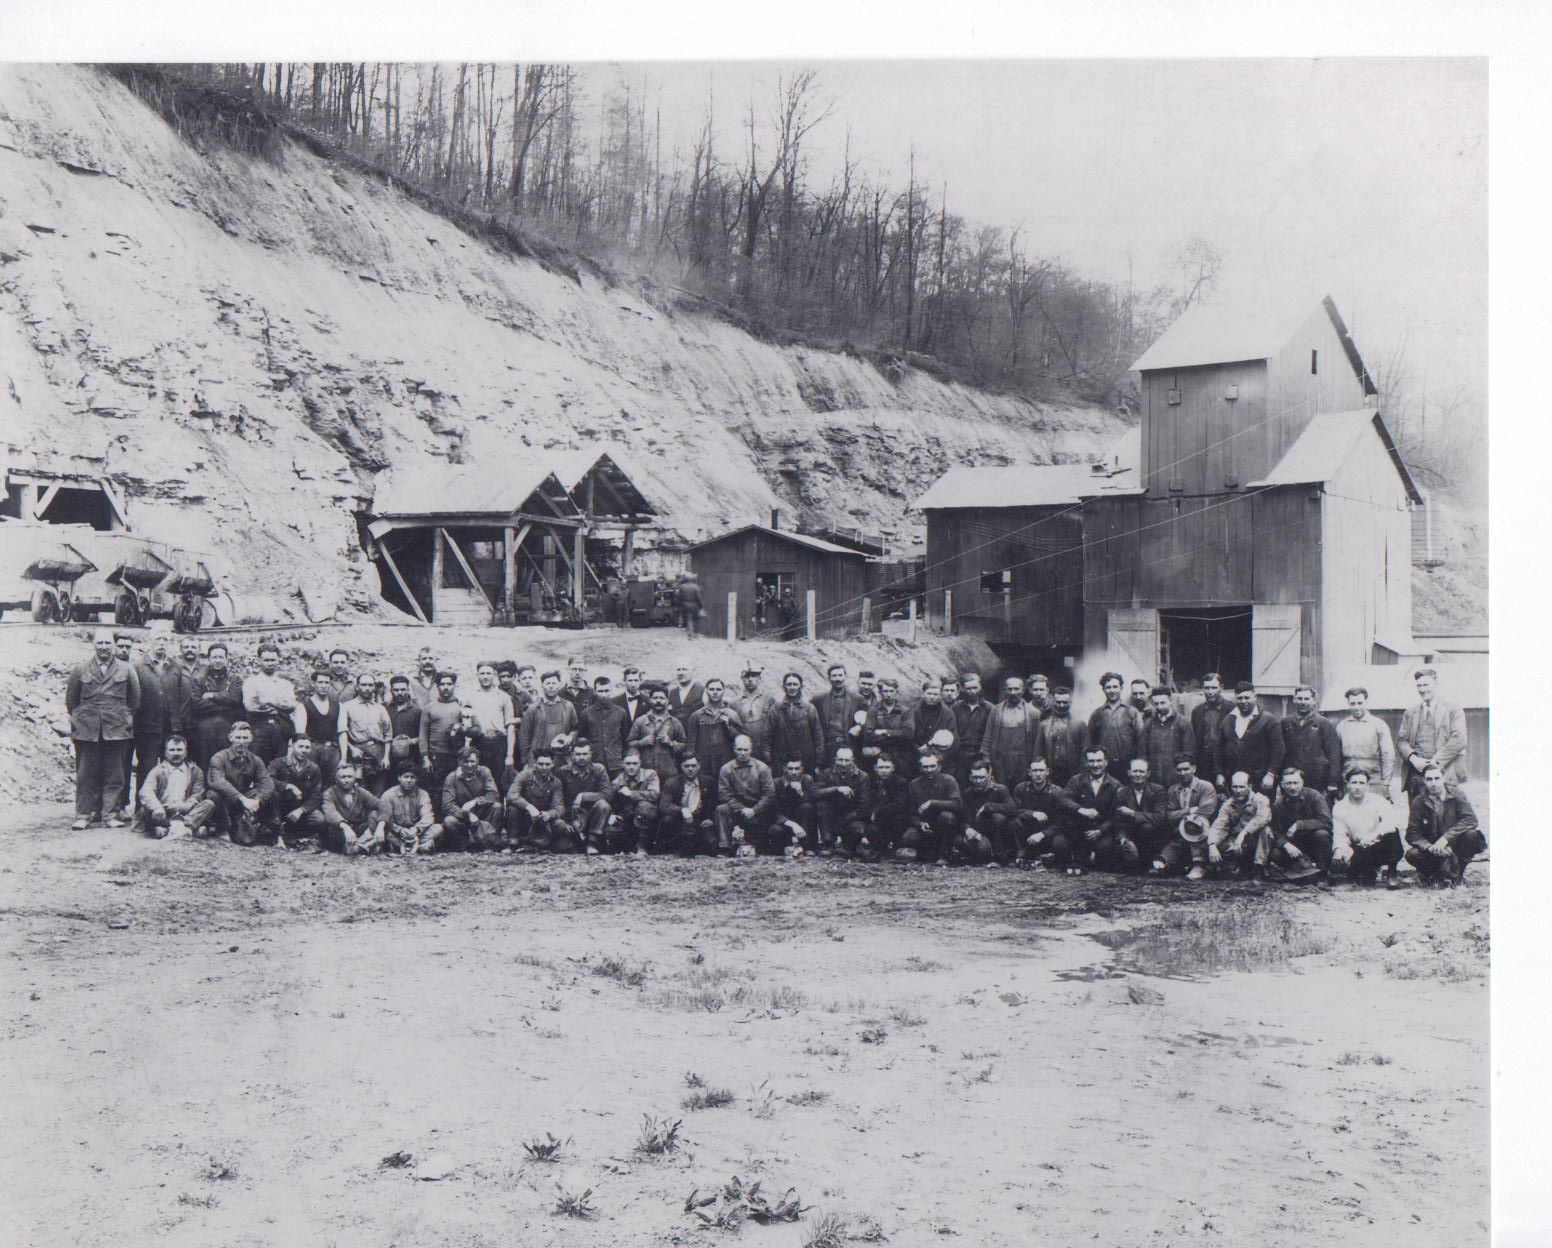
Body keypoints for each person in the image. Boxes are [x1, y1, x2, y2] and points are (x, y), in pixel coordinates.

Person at [66, 629, 141, 830]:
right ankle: (83, 815)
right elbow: (71, 701)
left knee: (115, 774)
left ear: (114, 646)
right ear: (94, 645)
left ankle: (110, 815)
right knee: (85, 773)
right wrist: (83, 719)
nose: (104, 647)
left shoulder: (126, 670)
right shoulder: (80, 669)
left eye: (108, 643)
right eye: (100, 643)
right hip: (87, 729)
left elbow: (134, 701)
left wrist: (119, 717)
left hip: (116, 729)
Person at [130, 633, 188, 812]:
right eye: (158, 640)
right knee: (146, 767)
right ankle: (142, 809)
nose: (161, 644)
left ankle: (168, 807)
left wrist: (178, 722)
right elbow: (132, 697)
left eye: (166, 641)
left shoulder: (176, 666)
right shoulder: (138, 665)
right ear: (150, 642)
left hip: (170, 727)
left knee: (170, 768)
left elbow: (182, 697)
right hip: (146, 727)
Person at [1404, 763, 1485, 886]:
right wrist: (1430, 847)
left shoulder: (1457, 794)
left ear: (1443, 779)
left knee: (1471, 835)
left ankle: (1458, 874)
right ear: (1424, 781)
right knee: (1411, 855)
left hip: (1455, 845)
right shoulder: (1418, 801)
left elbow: (1470, 819)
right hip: (1433, 848)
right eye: (1429, 779)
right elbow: (1412, 833)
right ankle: (1433, 873)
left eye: (1437, 778)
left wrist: (1446, 839)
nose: (1434, 783)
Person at [1397, 667, 1469, 795]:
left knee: (1444, 813)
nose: (1422, 689)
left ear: (1436, 684)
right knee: (1417, 812)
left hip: (1445, 773)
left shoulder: (1453, 709)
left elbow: (1459, 739)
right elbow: (1402, 741)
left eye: (1426, 685)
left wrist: (1436, 761)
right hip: (1416, 775)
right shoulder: (1410, 712)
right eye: (1419, 686)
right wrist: (1413, 758)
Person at [1330, 766, 1405, 886]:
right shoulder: (1340, 807)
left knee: (1393, 833)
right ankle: (1368, 870)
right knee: (1362, 878)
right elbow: (1340, 834)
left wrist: (1374, 835)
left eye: (1361, 783)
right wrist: (1339, 850)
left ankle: (1391, 872)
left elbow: (1391, 820)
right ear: (1347, 784)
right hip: (1358, 847)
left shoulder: (1378, 800)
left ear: (1367, 785)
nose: (1358, 787)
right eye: (1354, 783)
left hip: (1378, 844)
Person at [206, 721, 277, 845]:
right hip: (226, 800)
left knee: (271, 794)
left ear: (250, 739)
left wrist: (258, 800)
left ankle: (274, 832)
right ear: (230, 738)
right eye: (238, 738)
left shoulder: (255, 759)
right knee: (213, 795)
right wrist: (242, 799)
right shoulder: (219, 757)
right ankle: (222, 829)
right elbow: (217, 781)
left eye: (245, 738)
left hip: (244, 802)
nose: (241, 742)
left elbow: (267, 783)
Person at [134, 734, 214, 839]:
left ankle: (171, 829)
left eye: (179, 750)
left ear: (185, 753)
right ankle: (186, 828)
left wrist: (187, 805)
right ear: (166, 753)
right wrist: (157, 807)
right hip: (164, 811)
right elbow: (146, 791)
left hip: (185, 811)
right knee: (146, 810)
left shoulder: (195, 771)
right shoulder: (158, 770)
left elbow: (197, 793)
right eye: (172, 750)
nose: (176, 753)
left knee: (209, 804)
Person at [1057, 747, 1123, 875]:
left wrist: (1100, 831)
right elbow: (1064, 799)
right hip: (1079, 830)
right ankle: (1079, 858)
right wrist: (1081, 810)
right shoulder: (1076, 780)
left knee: (1105, 851)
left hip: (1101, 832)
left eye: (1099, 761)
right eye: (1091, 761)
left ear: (1106, 762)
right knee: (1059, 844)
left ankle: (1089, 858)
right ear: (1086, 763)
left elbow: (1116, 815)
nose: (1095, 765)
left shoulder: (1116, 785)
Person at [1215, 681, 1283, 794]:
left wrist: (1271, 774)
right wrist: (1219, 773)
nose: (1243, 701)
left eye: (1247, 697)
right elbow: (1218, 751)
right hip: (1234, 781)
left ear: (1255, 697)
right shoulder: (1228, 720)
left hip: (1260, 780)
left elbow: (1278, 750)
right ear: (1235, 699)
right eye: (1240, 698)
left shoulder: (1269, 720)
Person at [1159, 755, 1220, 879]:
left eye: (1186, 769)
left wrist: (1180, 815)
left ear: (1194, 769)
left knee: (1195, 828)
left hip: (1201, 833)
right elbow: (1169, 815)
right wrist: (1188, 811)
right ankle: (1175, 864)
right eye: (1179, 770)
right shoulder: (1173, 790)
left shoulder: (1205, 787)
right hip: (1179, 835)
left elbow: (1205, 812)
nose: (1183, 773)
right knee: (1160, 867)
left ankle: (1199, 864)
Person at [1268, 767, 1333, 881]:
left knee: (1322, 834)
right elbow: (1276, 830)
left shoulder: (1314, 796)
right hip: (1295, 846)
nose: (1292, 787)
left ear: (1302, 782)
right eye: (1288, 783)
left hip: (1314, 843)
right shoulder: (1279, 804)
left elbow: (1326, 821)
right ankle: (1303, 870)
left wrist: (1299, 824)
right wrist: (1286, 845)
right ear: (1282, 785)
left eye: (1295, 783)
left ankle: (1322, 874)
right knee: (1275, 853)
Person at [1206, 771, 1273, 880]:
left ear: (1250, 787)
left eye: (1242, 787)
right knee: (1218, 850)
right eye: (1235, 787)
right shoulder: (1228, 804)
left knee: (1266, 830)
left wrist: (1244, 833)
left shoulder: (1260, 799)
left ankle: (1259, 867)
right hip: (1237, 843)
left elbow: (1263, 817)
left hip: (1254, 841)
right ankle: (1237, 866)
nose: (1238, 791)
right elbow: (1219, 825)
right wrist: (1212, 845)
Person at [1336, 687, 1399, 802]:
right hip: (1348, 778)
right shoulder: (1341, 726)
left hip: (1372, 779)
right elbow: (1336, 756)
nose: (1356, 707)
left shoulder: (1378, 725)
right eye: (1353, 703)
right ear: (1348, 703)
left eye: (1360, 703)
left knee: (1373, 812)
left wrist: (1385, 783)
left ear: (1366, 702)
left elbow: (1388, 755)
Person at [716, 734, 776, 855]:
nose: (742, 753)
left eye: (745, 749)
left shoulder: (762, 768)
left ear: (751, 749)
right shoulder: (726, 769)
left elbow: (769, 793)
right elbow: (724, 793)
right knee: (721, 809)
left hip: (758, 810)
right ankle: (725, 847)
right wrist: (741, 809)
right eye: (739, 749)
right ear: (733, 749)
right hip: (736, 808)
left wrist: (755, 810)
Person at [188, 642, 243, 772]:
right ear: (208, 659)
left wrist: (212, 695)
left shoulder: (235, 679)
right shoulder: (199, 679)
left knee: (227, 764)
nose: (217, 661)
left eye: (221, 657)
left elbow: (234, 699)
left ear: (226, 659)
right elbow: (197, 704)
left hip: (228, 727)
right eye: (214, 657)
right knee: (206, 764)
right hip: (204, 729)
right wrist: (225, 703)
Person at [1280, 685, 1343, 798]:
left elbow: (1334, 755)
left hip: (1317, 779)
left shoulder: (1324, 724)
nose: (1302, 702)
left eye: (1306, 699)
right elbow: (1280, 752)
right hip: (1292, 780)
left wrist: (1333, 782)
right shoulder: (1286, 723)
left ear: (1314, 701)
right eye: (1299, 698)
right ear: (1294, 700)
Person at [900, 752, 963, 864]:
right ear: (920, 768)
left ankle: (945, 854)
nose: (929, 770)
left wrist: (932, 803)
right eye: (925, 766)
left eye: (932, 766)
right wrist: (920, 824)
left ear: (939, 767)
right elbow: (911, 812)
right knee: (908, 838)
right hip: (926, 825)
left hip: (945, 825)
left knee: (947, 817)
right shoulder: (914, 784)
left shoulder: (949, 780)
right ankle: (929, 853)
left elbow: (957, 804)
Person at [979, 677, 1041, 789]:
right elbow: (988, 735)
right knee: (1001, 788)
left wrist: (1034, 762)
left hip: (1023, 759)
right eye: (1010, 689)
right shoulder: (996, 710)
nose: (1013, 693)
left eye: (1016, 689)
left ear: (1023, 690)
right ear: (1005, 691)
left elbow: (1037, 741)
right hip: (1000, 759)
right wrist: (986, 759)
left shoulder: (1033, 713)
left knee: (1021, 789)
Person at [267, 734, 328, 848]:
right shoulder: (278, 763)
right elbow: (267, 780)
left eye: (307, 747)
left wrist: (301, 810)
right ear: (292, 746)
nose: (304, 750)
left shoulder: (313, 769)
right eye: (300, 746)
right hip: (279, 807)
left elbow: (316, 795)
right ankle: (276, 835)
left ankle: (293, 835)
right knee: (273, 795)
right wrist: (287, 786)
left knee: (319, 820)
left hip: (298, 810)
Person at [506, 750, 572, 852]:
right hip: (524, 818)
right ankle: (513, 844)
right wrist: (529, 808)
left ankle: (532, 845)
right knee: (512, 809)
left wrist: (548, 814)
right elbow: (512, 795)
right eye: (541, 764)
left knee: (560, 825)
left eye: (547, 764)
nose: (544, 768)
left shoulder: (556, 782)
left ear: (552, 764)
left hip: (543, 821)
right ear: (535, 764)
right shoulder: (524, 776)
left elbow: (559, 807)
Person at [1109, 759, 1167, 873]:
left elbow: (1159, 817)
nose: (1138, 775)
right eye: (1135, 771)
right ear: (1129, 773)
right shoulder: (1122, 792)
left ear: (1148, 773)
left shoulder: (1158, 790)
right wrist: (1123, 839)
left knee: (1147, 828)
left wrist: (1133, 813)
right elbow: (1117, 821)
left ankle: (1151, 863)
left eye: (1141, 771)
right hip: (1131, 835)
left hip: (1153, 837)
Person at [242, 643, 298, 764]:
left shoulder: (285, 684)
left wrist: (268, 700)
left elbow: (291, 705)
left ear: (278, 660)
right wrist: (279, 703)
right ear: (259, 661)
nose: (270, 663)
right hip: (259, 730)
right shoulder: (251, 682)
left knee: (280, 765)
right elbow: (250, 706)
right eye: (266, 660)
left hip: (282, 729)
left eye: (273, 660)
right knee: (259, 765)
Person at [439, 748, 504, 851]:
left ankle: (490, 842)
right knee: (449, 821)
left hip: (482, 813)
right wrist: (467, 815)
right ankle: (465, 845)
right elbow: (447, 805)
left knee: (497, 807)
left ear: (477, 761)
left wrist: (475, 802)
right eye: (465, 761)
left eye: (472, 761)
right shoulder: (451, 778)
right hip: (462, 816)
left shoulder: (484, 772)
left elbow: (494, 794)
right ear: (459, 762)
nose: (469, 765)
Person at [559, 738, 614, 853]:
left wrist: (583, 796)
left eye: (584, 754)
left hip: (593, 816)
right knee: (563, 847)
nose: (581, 757)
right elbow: (557, 798)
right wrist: (563, 821)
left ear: (590, 755)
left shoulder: (599, 770)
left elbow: (607, 795)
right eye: (578, 754)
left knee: (603, 805)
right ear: (572, 756)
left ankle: (592, 843)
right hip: (571, 816)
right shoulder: (562, 772)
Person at [959, 759, 1019, 865]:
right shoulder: (967, 793)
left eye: (981, 777)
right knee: (958, 841)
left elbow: (1012, 809)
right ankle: (982, 854)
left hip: (997, 834)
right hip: (977, 832)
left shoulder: (1000, 790)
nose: (978, 781)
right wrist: (967, 829)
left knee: (998, 817)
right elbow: (963, 816)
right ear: (970, 778)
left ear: (989, 776)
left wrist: (988, 806)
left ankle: (998, 857)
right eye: (975, 778)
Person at [342, 673, 393, 795]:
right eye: (363, 685)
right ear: (357, 687)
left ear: (374, 687)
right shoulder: (347, 707)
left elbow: (388, 734)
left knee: (378, 791)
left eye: (370, 685)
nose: (367, 688)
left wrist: (386, 757)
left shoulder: (380, 708)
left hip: (378, 753)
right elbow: (341, 731)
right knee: (358, 790)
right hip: (357, 754)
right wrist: (351, 748)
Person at [813, 746, 869, 858]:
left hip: (852, 817)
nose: (843, 764)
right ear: (835, 759)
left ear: (853, 760)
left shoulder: (862, 777)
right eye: (840, 760)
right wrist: (837, 788)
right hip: (832, 817)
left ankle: (848, 846)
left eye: (847, 760)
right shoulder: (826, 773)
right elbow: (815, 793)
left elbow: (864, 807)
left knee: (858, 829)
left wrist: (845, 819)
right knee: (823, 805)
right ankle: (828, 845)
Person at [466, 661, 517, 781]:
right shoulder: (471, 696)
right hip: (478, 742)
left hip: (498, 744)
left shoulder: (504, 697)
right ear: (477, 675)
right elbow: (467, 726)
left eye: (488, 673)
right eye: (482, 673)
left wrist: (510, 755)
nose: (485, 676)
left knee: (498, 781)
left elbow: (510, 727)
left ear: (494, 675)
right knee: (477, 780)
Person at [1012, 757, 1067, 867]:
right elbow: (1014, 810)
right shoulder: (1021, 788)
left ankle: (1049, 858)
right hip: (1028, 832)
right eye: (1035, 770)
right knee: (1014, 823)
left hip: (1049, 833)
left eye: (1041, 770)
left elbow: (1061, 822)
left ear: (1047, 772)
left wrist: (1043, 834)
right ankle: (1024, 854)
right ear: (1029, 772)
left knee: (1060, 843)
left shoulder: (1057, 792)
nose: (1038, 774)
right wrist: (1032, 813)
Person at [519, 671, 578, 771]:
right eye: (548, 683)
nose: (551, 686)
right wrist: (525, 761)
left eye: (554, 683)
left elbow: (575, 728)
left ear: (559, 685)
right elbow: (524, 735)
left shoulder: (568, 706)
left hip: (561, 757)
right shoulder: (533, 708)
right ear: (542, 685)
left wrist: (570, 738)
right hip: (538, 758)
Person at [686, 677, 744, 781]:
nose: (715, 692)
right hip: (703, 762)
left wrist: (728, 726)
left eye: (718, 689)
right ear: (706, 691)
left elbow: (740, 739)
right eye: (712, 689)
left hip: (725, 760)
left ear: (723, 691)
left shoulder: (731, 714)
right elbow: (691, 743)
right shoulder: (697, 715)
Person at [320, 762, 384, 856]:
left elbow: (381, 805)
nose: (347, 780)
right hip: (340, 831)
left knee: (376, 814)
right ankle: (366, 845)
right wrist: (346, 827)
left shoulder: (361, 792)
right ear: (336, 779)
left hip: (358, 830)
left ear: (354, 778)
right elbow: (330, 813)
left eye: (350, 777)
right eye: (343, 777)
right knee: (332, 828)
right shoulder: (329, 793)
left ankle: (361, 844)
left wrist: (380, 827)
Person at [768, 672, 825, 777]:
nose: (792, 687)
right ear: (784, 686)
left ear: (801, 686)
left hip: (805, 760)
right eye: (789, 684)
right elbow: (767, 736)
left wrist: (818, 763)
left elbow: (818, 736)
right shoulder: (776, 708)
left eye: (795, 684)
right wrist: (769, 762)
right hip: (781, 760)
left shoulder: (809, 708)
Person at [859, 754, 912, 863]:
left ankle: (897, 847)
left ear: (893, 768)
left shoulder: (900, 782)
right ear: (875, 768)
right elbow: (867, 801)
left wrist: (878, 811)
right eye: (881, 767)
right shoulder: (871, 782)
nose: (884, 771)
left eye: (887, 767)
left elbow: (899, 805)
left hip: (893, 819)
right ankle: (878, 848)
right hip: (876, 821)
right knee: (870, 829)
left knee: (900, 819)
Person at [296, 669, 346, 786]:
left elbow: (342, 732)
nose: (323, 686)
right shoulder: (303, 706)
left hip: (333, 751)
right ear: (314, 684)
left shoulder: (339, 706)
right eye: (320, 682)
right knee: (312, 784)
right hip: (312, 750)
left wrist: (343, 758)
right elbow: (300, 734)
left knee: (332, 785)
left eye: (326, 683)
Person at [658, 754, 715, 856]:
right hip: (679, 820)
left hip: (700, 820)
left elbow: (715, 803)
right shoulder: (672, 783)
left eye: (693, 766)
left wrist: (711, 819)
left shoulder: (708, 782)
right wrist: (682, 810)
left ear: (699, 766)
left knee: (711, 843)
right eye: (687, 766)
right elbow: (664, 805)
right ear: (681, 766)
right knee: (667, 821)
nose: (690, 769)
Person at [628, 687, 688, 783]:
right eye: (655, 698)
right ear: (650, 700)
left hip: (669, 771)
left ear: (667, 700)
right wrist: (641, 742)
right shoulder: (640, 721)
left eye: (662, 698)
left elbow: (684, 745)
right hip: (645, 771)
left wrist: (671, 743)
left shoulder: (675, 722)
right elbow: (630, 743)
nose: (658, 701)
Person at [1088, 673, 1140, 783]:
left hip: (1127, 764)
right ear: (1103, 690)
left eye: (1115, 687)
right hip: (1104, 766)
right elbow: (1091, 740)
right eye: (1108, 687)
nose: (1112, 690)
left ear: (1121, 688)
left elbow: (1140, 740)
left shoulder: (1132, 712)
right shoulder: (1097, 714)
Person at [377, 764, 438, 856]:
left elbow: (428, 817)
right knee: (386, 833)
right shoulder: (389, 794)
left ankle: (406, 848)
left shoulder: (422, 794)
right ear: (399, 778)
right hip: (397, 833)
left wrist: (416, 829)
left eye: (412, 777)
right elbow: (385, 817)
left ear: (417, 779)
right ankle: (420, 847)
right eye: (406, 777)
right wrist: (399, 830)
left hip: (416, 833)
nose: (409, 780)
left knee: (438, 828)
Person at [1137, 687, 1195, 784]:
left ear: (1170, 700)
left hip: (1175, 779)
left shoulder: (1183, 723)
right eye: (1156, 704)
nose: (1159, 707)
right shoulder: (1149, 723)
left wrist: (1181, 773)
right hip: (1153, 779)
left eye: (1163, 703)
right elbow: (1141, 752)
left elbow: (1188, 753)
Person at [812, 664, 867, 765]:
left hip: (850, 745)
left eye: (840, 675)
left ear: (845, 677)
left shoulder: (858, 699)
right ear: (828, 678)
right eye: (834, 676)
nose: (838, 679)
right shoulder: (818, 700)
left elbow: (868, 720)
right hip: (828, 747)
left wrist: (859, 727)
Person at [608, 750, 662, 854]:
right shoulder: (617, 781)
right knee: (611, 831)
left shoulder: (650, 775)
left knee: (644, 806)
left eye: (634, 763)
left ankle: (643, 846)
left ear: (640, 763)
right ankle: (629, 848)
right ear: (622, 764)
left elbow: (655, 794)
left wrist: (631, 794)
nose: (631, 767)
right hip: (628, 817)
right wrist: (612, 814)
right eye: (628, 764)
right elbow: (611, 801)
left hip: (647, 818)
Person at [862, 678, 917, 777]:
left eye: (891, 691)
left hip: (901, 755)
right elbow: (869, 735)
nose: (888, 694)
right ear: (880, 692)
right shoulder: (873, 711)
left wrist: (884, 731)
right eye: (885, 691)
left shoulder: (906, 711)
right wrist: (897, 735)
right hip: (879, 755)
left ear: (897, 692)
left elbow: (908, 734)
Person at [1038, 686, 1089, 787]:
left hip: (1072, 776)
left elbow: (1085, 753)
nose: (1061, 705)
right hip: (1050, 776)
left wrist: (1080, 777)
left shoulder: (1080, 724)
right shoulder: (1044, 725)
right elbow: (1038, 752)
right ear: (1052, 701)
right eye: (1058, 702)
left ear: (1070, 702)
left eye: (1065, 702)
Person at [580, 675, 630, 775]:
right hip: (594, 764)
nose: (604, 695)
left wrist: (621, 757)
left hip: (616, 764)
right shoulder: (586, 713)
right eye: (600, 691)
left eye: (606, 691)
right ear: (595, 692)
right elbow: (583, 738)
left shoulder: (620, 712)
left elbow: (626, 739)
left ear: (611, 691)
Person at [771, 758, 818, 857]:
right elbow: (775, 811)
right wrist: (793, 825)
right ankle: (784, 849)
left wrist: (801, 793)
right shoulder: (777, 783)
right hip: (785, 822)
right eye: (790, 768)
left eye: (797, 769)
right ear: (784, 769)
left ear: (802, 769)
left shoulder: (807, 780)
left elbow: (813, 804)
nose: (793, 772)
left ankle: (806, 846)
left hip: (803, 822)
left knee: (807, 807)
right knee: (775, 830)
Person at [912, 680, 959, 778]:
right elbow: (909, 735)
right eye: (929, 693)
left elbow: (954, 742)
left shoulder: (948, 714)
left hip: (942, 763)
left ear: (940, 695)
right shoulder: (914, 712)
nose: (932, 697)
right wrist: (917, 750)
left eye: (935, 694)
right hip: (917, 760)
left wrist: (937, 758)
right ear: (923, 694)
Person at [1190, 672, 1231, 784]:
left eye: (1214, 688)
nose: (1210, 692)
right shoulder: (1197, 711)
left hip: (1226, 764)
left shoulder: (1232, 710)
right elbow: (1193, 740)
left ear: (1221, 688)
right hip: (1204, 764)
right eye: (1207, 688)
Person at [952, 673, 992, 788]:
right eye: (968, 688)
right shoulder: (956, 708)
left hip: (979, 756)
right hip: (960, 756)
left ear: (980, 688)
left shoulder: (990, 709)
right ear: (963, 689)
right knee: (961, 786)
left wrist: (986, 759)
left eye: (975, 688)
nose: (972, 691)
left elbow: (991, 735)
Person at [733, 664, 778, 761]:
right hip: (743, 749)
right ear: (742, 678)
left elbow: (774, 725)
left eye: (753, 676)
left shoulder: (769, 699)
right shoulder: (735, 702)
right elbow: (733, 728)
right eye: (747, 676)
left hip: (764, 748)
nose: (750, 679)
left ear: (759, 678)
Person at [385, 676, 424, 784]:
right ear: (391, 691)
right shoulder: (384, 709)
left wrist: (410, 741)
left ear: (408, 690)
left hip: (411, 758)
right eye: (396, 690)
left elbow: (423, 735)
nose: (400, 693)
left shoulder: (417, 711)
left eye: (403, 689)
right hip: (390, 757)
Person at [614, 667, 649, 735]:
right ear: (624, 681)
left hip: (642, 743)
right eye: (630, 680)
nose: (633, 684)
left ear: (640, 681)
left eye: (636, 680)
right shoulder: (615, 702)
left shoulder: (648, 702)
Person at [675, 574, 704, 639]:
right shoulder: (696, 587)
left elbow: (679, 598)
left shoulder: (682, 587)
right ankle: (696, 634)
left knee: (689, 620)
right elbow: (699, 598)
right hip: (695, 605)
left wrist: (678, 606)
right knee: (696, 620)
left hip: (685, 605)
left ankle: (690, 635)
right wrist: (701, 606)